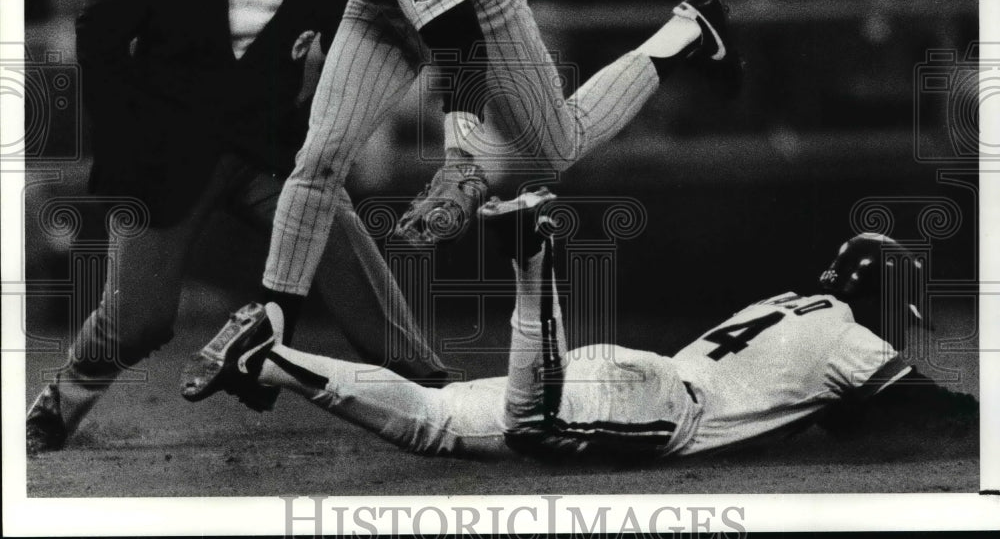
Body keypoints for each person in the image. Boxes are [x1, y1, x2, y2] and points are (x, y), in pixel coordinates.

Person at [182, 0, 744, 381]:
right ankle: (274, 321)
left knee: (555, 148)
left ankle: (689, 31)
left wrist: (462, 160)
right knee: (318, 157)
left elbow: (457, 36)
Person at [25, 0, 447, 455]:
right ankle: (65, 395)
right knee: (137, 323)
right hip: (168, 153)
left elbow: (366, 48)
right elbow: (98, 32)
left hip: (267, 152)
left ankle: (434, 392)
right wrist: (124, 140)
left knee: (344, 254)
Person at [183, 190, 977, 460]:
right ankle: (531, 260)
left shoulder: (783, 306)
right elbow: (928, 413)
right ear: (886, 298)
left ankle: (272, 357)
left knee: (433, 422)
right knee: (533, 429)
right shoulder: (848, 336)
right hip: (653, 408)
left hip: (627, 375)